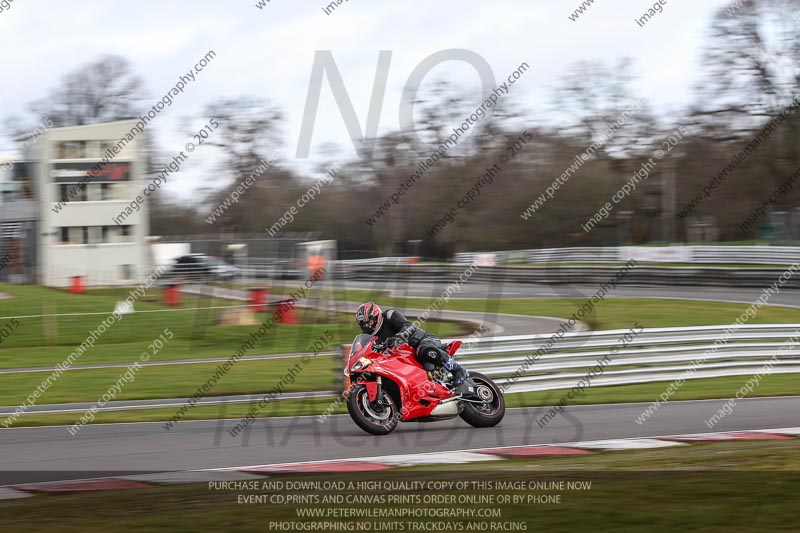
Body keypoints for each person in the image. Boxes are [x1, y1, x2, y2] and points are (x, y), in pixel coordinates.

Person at [355, 301, 475, 396]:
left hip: (423, 341)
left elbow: (409, 326)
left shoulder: (390, 316)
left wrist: (399, 337)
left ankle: (458, 371)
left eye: (369, 322)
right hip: (405, 356)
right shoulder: (373, 338)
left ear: (376, 316)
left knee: (423, 350)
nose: (367, 326)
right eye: (364, 324)